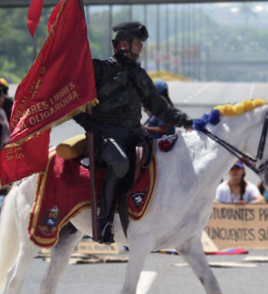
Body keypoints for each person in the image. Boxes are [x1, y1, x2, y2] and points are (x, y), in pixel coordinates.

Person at [74, 21, 193, 244]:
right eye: (137, 42)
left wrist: (187, 121)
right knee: (120, 163)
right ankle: (104, 221)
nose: (140, 47)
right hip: (104, 133)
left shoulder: (138, 74)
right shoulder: (97, 69)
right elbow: (70, 94)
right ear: (122, 44)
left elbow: (160, 107)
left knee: (165, 158)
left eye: (141, 43)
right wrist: (84, 121)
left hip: (134, 133)